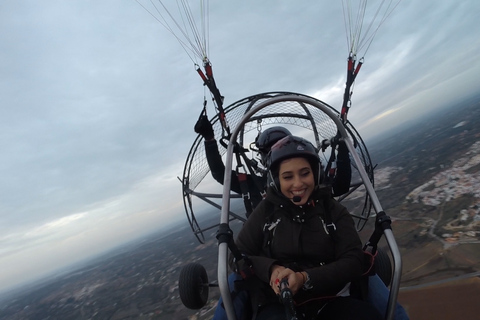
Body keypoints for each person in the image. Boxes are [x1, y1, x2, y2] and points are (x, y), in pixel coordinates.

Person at [229, 135, 382, 320]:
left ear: (316, 174)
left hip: (329, 298)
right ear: (276, 181)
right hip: (276, 303)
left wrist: (305, 278)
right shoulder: (266, 211)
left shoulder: (331, 210)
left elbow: (354, 260)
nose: (298, 184)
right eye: (287, 177)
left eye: (305, 173)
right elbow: (238, 255)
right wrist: (272, 269)